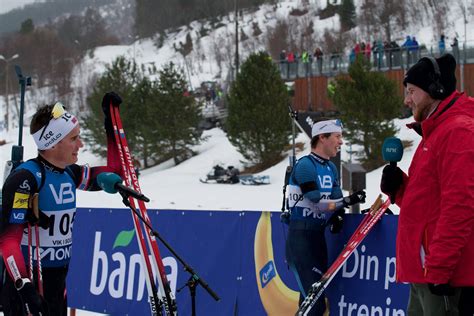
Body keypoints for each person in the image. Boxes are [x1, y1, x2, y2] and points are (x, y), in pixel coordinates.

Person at [0, 96, 122, 316]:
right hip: (28, 290)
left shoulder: (69, 173)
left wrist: (110, 125)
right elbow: (8, 240)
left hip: (58, 285)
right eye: (74, 138)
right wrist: (24, 285)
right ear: (53, 142)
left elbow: (116, 173)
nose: (81, 144)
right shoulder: (25, 179)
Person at [380, 53, 474, 316]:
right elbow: (429, 204)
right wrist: (400, 189)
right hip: (425, 271)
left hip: (442, 274)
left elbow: (460, 207)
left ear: (435, 90)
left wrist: (440, 268)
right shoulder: (435, 131)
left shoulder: (458, 132)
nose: (406, 100)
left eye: (412, 91)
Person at [284, 119, 366, 315]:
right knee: (316, 304)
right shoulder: (305, 165)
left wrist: (339, 214)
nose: (341, 142)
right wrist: (347, 202)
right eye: (337, 137)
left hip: (317, 240)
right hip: (300, 240)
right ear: (322, 137)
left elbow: (334, 201)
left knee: (308, 302)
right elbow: (317, 203)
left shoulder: (330, 168)